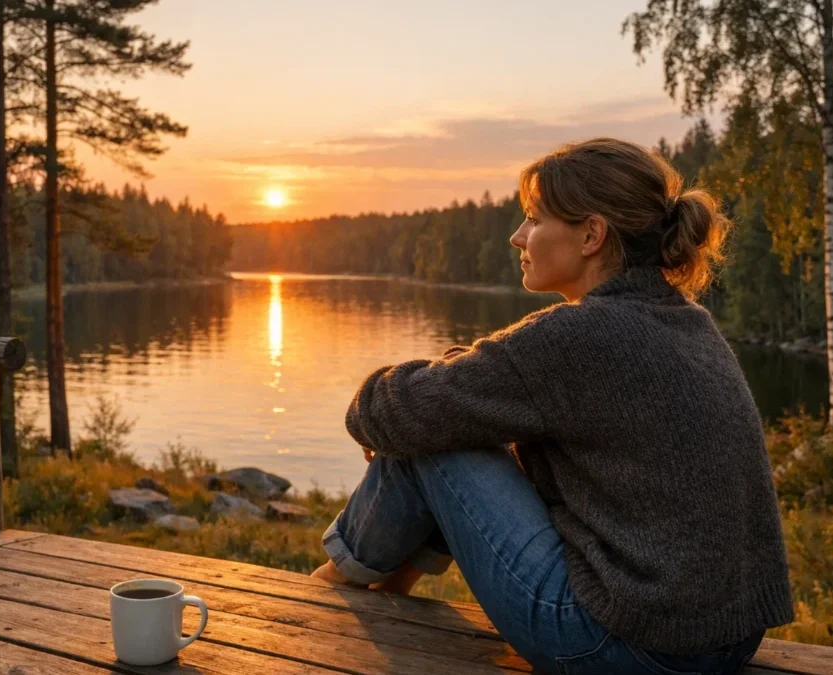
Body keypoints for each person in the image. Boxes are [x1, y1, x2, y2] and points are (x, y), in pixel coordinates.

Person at [310, 138, 794, 675]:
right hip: (723, 641)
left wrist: (423, 400)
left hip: (622, 647)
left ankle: (336, 584)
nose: (517, 236)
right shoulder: (684, 320)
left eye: (535, 220)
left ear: (591, 235)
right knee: (446, 413)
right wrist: (451, 388)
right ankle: (385, 582)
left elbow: (380, 410)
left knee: (432, 426)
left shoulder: (581, 335)